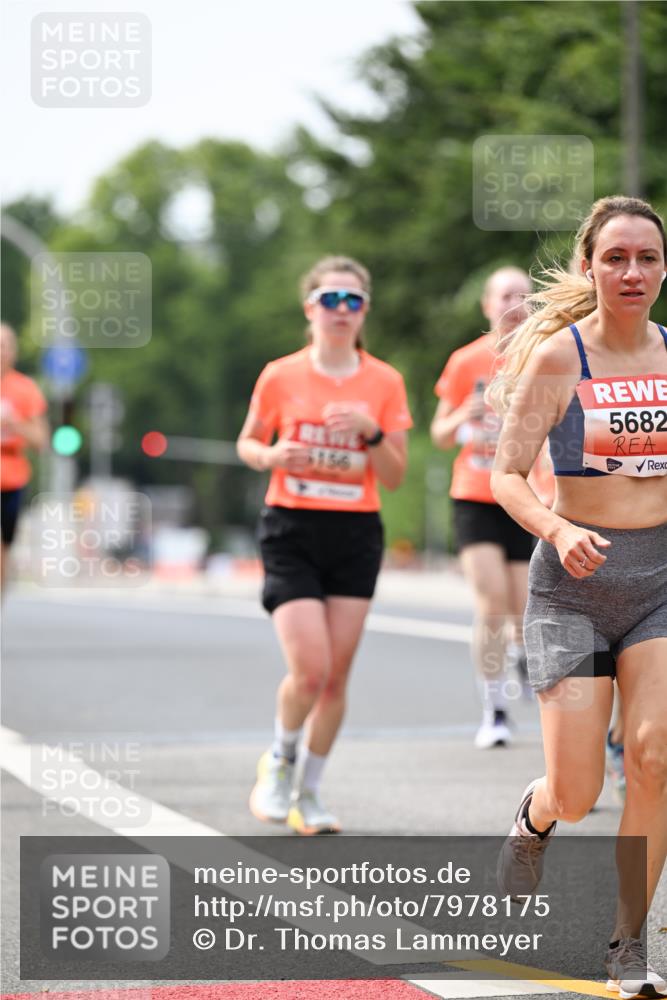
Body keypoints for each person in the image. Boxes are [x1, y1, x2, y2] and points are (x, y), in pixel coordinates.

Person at [490, 196, 667, 998]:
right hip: (571, 590)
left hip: (658, 582)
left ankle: (628, 944)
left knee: (654, 755)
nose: (631, 272)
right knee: (578, 790)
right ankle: (535, 817)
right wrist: (557, 529)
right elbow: (505, 474)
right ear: (589, 266)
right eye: (615, 258)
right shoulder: (559, 361)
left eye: (646, 258)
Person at [237, 255, 412, 835]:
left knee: (336, 678)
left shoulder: (383, 382)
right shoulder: (280, 375)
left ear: (365, 311)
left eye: (352, 300)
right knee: (310, 670)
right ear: (309, 308)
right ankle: (280, 759)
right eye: (330, 299)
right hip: (291, 528)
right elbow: (248, 443)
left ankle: (309, 793)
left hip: (355, 534)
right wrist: (271, 454)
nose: (341, 310)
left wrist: (371, 431)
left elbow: (394, 475)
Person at [431, 267, 545, 749]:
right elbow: (439, 434)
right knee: (491, 603)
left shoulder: (545, 357)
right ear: (487, 305)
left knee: (522, 608)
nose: (514, 305)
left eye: (524, 296)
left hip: (525, 495)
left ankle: (520, 657)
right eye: (505, 296)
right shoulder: (466, 361)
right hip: (475, 494)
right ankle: (494, 710)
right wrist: (464, 413)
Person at [1, 323, 49, 595]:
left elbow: (41, 440)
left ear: (14, 351)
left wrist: (15, 424)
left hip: (11, 479)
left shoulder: (25, 389)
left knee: (3, 548)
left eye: (4, 345)